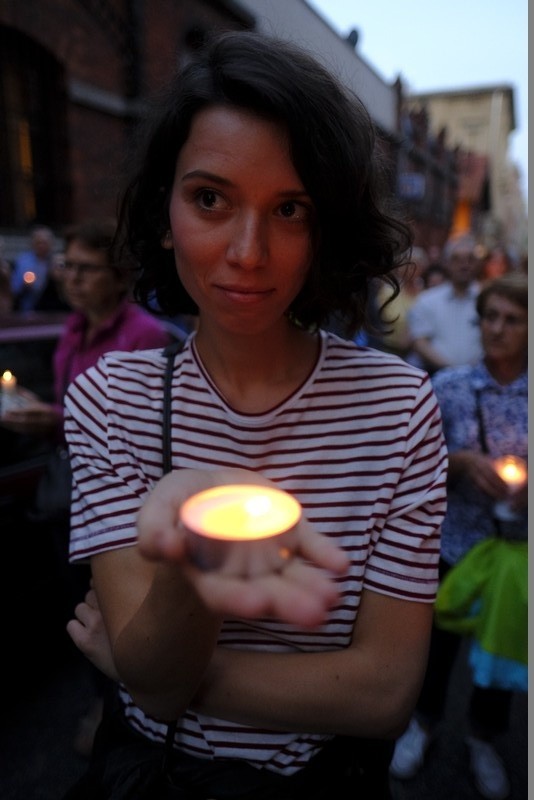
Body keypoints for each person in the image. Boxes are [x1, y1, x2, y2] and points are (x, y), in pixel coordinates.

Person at [61, 30, 448, 800]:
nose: (247, 250)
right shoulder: (113, 400)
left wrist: (141, 664)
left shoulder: (400, 410)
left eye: (290, 209)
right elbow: (157, 692)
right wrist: (196, 568)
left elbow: (383, 694)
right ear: (165, 214)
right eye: (211, 198)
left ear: (326, 229)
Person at [1, 218, 172, 756]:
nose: (71, 278)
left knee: (124, 605)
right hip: (71, 489)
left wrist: (56, 419)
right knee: (82, 605)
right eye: (66, 267)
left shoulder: (145, 336)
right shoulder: (72, 329)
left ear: (119, 277)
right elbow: (76, 412)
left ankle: (134, 709)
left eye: (84, 268)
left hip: (125, 497)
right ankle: (107, 700)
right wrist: (41, 415)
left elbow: (145, 432)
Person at [390, 273, 528, 800]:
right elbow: (413, 465)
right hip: (455, 544)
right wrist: (461, 461)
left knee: (498, 654)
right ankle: (421, 726)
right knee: (437, 648)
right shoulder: (449, 385)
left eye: (513, 319)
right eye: (489, 317)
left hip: (517, 553)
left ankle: (484, 740)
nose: (498, 329)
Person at [407, 233, 483, 374]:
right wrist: (452, 370)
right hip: (434, 375)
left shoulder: (486, 300)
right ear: (447, 263)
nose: (464, 265)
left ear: (477, 264)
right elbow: (420, 341)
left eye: (470, 259)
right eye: (457, 259)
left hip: (476, 378)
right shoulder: (427, 300)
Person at [376, 245, 428, 361]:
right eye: (405, 265)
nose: (409, 269)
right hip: (388, 350)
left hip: (419, 355)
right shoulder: (388, 292)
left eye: (414, 265)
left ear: (422, 268)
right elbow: (380, 320)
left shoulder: (427, 294)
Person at [10, 224, 68, 311]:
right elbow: (14, 289)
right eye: (38, 243)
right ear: (32, 243)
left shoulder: (56, 260)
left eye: (44, 243)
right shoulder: (23, 262)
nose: (42, 246)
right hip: (28, 308)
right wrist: (25, 285)